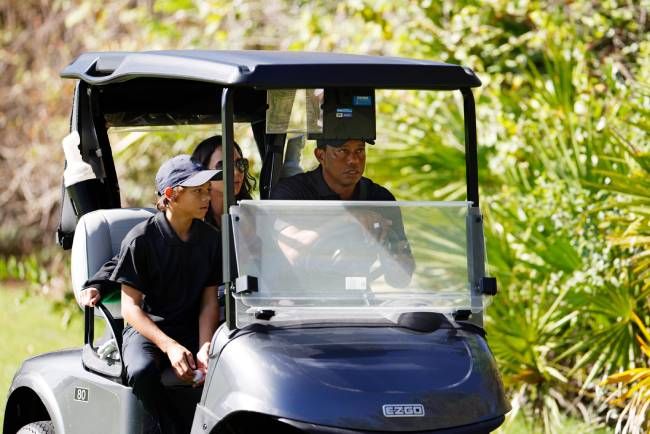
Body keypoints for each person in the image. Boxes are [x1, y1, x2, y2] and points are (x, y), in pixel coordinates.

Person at [79, 135, 254, 307]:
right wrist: (97, 285)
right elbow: (131, 259)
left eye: (240, 164)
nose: (236, 172)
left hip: (245, 308)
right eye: (224, 165)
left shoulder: (251, 216)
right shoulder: (183, 221)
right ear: (204, 171)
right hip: (201, 317)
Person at [115, 154, 222, 434]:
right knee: (141, 371)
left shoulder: (211, 239)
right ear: (172, 195)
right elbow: (130, 309)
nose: (206, 197)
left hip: (191, 328)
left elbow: (209, 301)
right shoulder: (140, 240)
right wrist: (170, 346)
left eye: (207, 190)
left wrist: (205, 346)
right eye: (198, 191)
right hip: (147, 333)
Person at [270, 138, 415, 288]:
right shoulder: (292, 193)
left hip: (357, 298)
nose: (353, 160)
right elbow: (293, 254)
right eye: (342, 151)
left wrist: (393, 253)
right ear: (321, 155)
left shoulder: (379, 199)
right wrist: (347, 218)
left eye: (359, 151)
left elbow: (400, 281)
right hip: (293, 301)